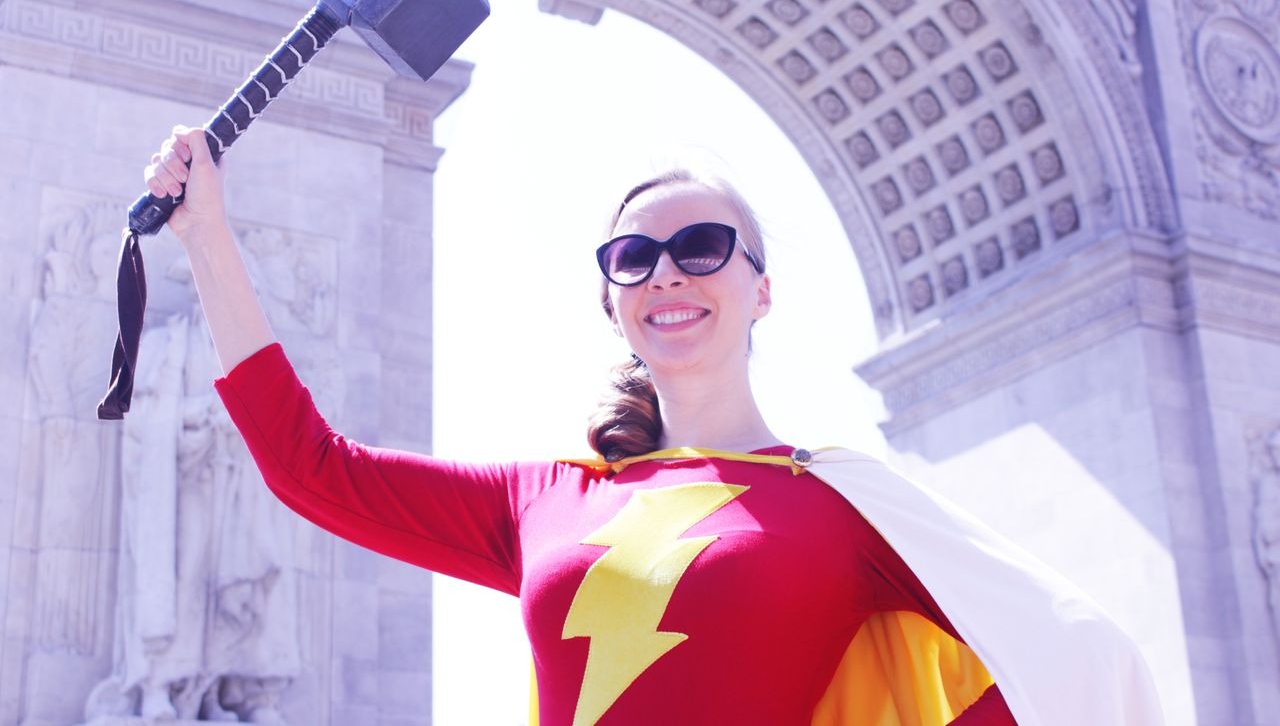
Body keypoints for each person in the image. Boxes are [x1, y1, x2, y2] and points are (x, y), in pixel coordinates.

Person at [144, 126, 1164, 725]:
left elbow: (1060, 670)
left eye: (701, 245)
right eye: (632, 256)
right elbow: (308, 466)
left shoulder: (853, 510)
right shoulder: (543, 497)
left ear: (761, 291)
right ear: (610, 300)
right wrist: (208, 239)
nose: (665, 271)